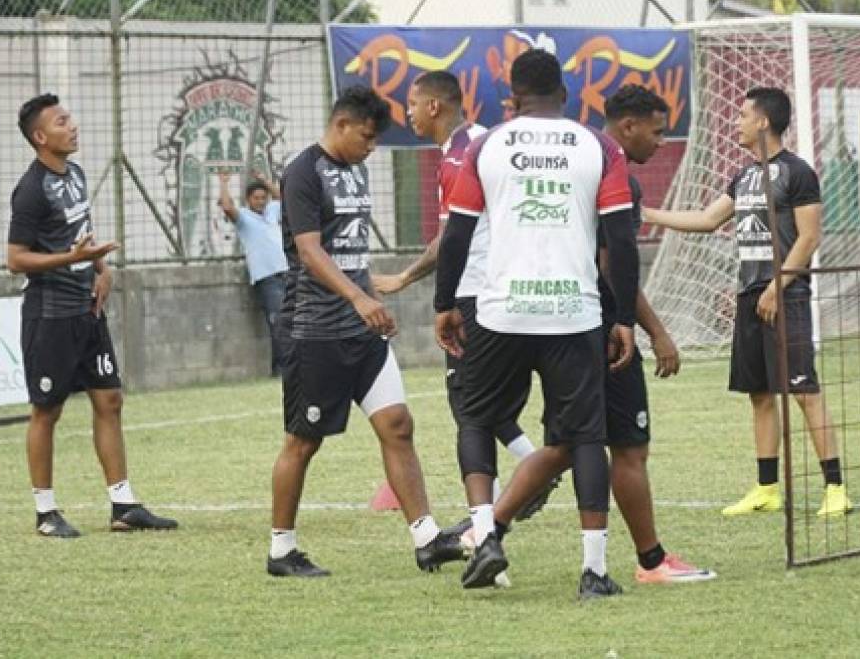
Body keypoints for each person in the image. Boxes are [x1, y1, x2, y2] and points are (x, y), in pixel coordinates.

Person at [485, 85, 716, 584]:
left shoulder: (572, 163)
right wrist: (653, 331)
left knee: (569, 443)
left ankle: (486, 532)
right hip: (606, 332)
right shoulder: (611, 175)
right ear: (627, 126)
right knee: (626, 447)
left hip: (562, 324)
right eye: (656, 132)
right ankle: (651, 561)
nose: (660, 144)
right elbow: (611, 266)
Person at [433, 48, 640, 599]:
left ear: (513, 95)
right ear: (565, 95)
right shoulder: (600, 146)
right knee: (587, 438)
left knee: (476, 419)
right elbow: (621, 241)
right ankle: (593, 572)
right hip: (574, 313)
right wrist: (622, 318)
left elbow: (455, 236)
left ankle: (486, 537)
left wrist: (444, 303)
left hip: (500, 311)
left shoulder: (487, 145)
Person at [267, 86, 466, 578]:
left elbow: (347, 247)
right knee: (302, 441)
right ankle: (281, 550)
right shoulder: (302, 172)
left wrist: (366, 292)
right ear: (341, 125)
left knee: (398, 425)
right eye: (367, 136)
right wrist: (357, 297)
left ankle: (426, 538)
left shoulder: (354, 170)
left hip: (362, 332)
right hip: (316, 330)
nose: (371, 147)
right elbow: (310, 252)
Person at [642, 87, 851, 519]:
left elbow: (809, 237)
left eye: (742, 115)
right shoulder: (745, 175)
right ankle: (767, 488)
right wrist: (646, 214)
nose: (735, 122)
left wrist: (778, 285)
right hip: (749, 296)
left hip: (786, 297)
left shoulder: (798, 172)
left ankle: (835, 487)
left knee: (804, 391)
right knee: (759, 395)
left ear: (763, 122)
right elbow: (706, 219)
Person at [371, 70, 549, 519]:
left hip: (476, 294)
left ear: (434, 106)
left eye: (412, 103)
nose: (407, 113)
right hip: (509, 286)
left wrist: (402, 279)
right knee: (477, 397)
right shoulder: (484, 142)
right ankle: (531, 467)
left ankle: (499, 507)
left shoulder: (460, 158)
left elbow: (451, 238)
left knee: (468, 403)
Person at [7, 93, 178, 538]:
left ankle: (123, 504)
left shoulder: (77, 175)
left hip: (88, 308)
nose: (74, 125)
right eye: (63, 121)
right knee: (47, 411)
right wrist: (70, 259)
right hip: (51, 315)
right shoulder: (30, 189)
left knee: (109, 399)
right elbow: (15, 259)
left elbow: (80, 235)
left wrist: (101, 269)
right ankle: (46, 512)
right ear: (41, 137)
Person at [217, 170, 289, 376]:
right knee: (279, 323)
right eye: (256, 198)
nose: (260, 202)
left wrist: (266, 181)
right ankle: (279, 370)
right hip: (267, 279)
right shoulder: (244, 219)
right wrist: (224, 183)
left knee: (292, 322)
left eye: (263, 198)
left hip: (286, 274)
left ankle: (290, 368)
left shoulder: (272, 211)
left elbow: (285, 198)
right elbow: (228, 207)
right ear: (248, 200)